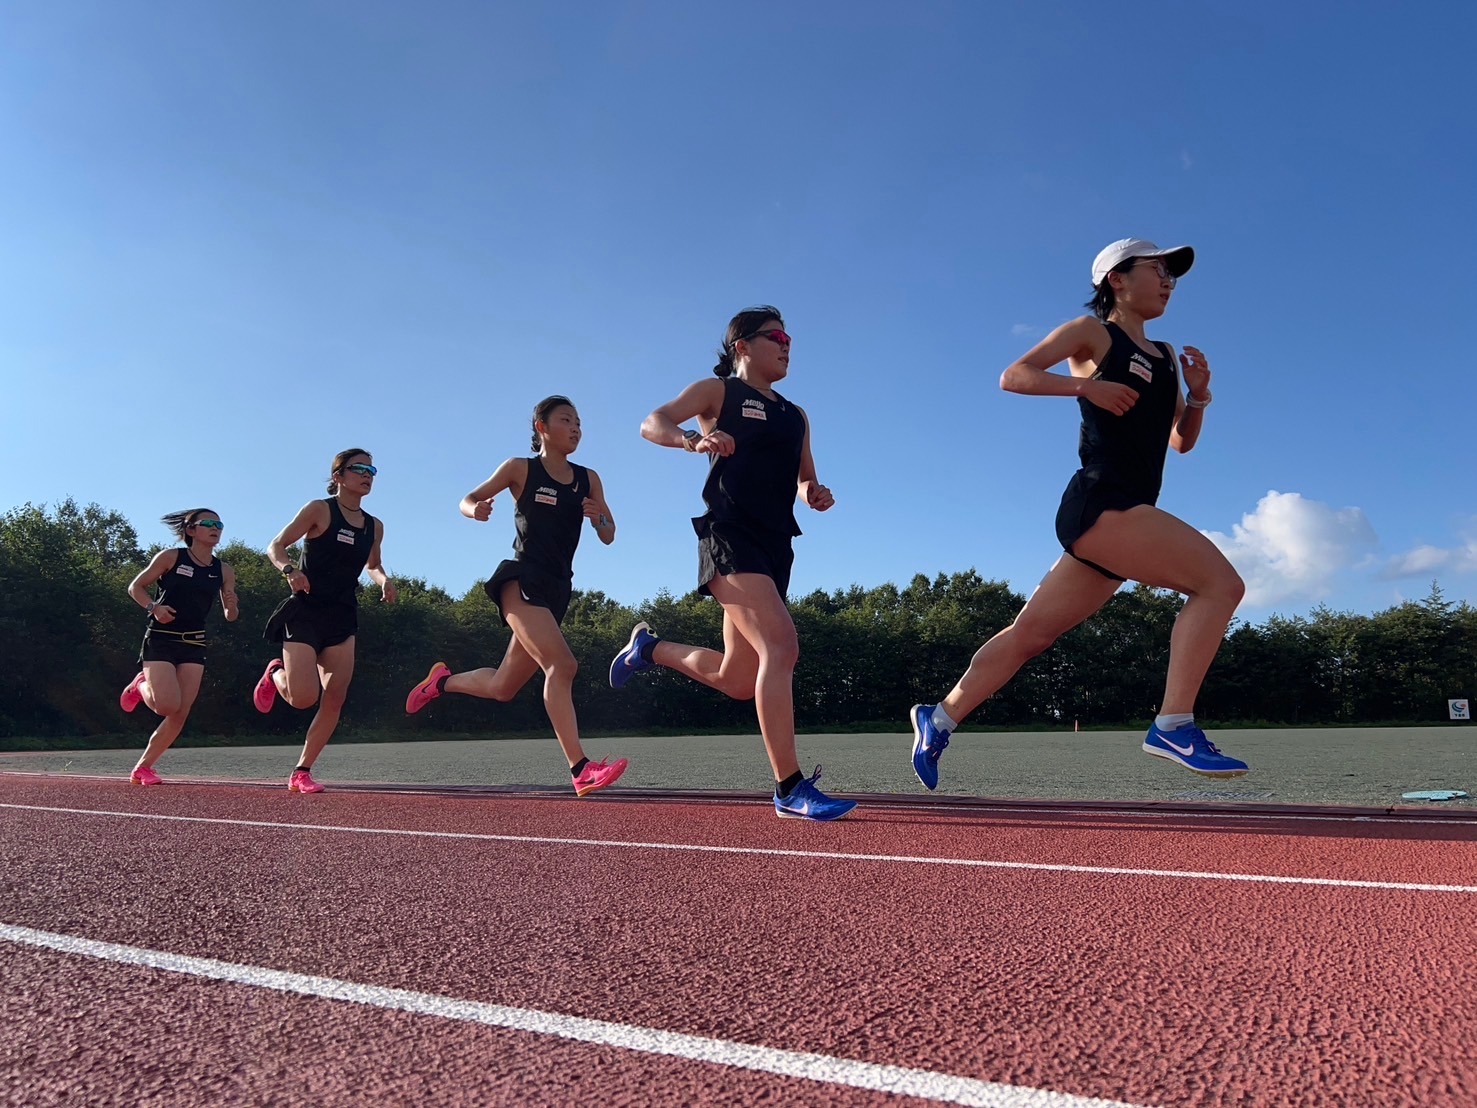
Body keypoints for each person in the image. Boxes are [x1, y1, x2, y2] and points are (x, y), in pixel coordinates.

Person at [908, 239, 1249, 790]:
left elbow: (1181, 442)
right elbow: (1014, 375)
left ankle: (939, 717)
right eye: (1157, 269)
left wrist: (1199, 397)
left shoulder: (1164, 355)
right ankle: (1173, 725)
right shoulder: (1093, 333)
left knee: (1029, 635)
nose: (1168, 281)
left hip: (1125, 516)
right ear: (1117, 278)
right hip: (1102, 502)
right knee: (1220, 585)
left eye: (1172, 274)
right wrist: (1088, 386)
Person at [608, 306, 855, 821]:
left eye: (790, 339)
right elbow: (652, 422)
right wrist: (692, 440)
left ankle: (649, 649)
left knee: (738, 678)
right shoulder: (718, 392)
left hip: (776, 545)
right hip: (729, 534)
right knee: (781, 647)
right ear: (742, 345)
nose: (787, 345)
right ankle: (789, 788)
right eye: (777, 336)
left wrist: (814, 493)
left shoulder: (796, 415)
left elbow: (804, 478)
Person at [404, 396, 629, 797]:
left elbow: (609, 534)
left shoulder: (588, 478)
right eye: (566, 420)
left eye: (579, 423)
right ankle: (581, 769)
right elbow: (467, 499)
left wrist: (598, 517)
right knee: (562, 665)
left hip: (558, 588)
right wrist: (474, 510)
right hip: (521, 579)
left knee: (502, 687)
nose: (576, 428)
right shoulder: (520, 469)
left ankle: (441, 683)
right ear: (541, 427)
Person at [254, 448, 396, 793]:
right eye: (359, 468)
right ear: (338, 476)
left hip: (342, 616)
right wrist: (290, 570)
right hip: (306, 611)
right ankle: (274, 674)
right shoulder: (319, 509)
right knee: (303, 698)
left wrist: (384, 580)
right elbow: (276, 546)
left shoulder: (374, 526)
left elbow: (373, 564)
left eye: (372, 470)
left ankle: (301, 771)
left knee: (334, 697)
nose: (367, 475)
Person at [120, 509, 239, 783]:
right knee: (166, 706)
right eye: (208, 523)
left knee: (180, 712)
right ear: (190, 530)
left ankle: (143, 767)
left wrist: (232, 607)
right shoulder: (171, 557)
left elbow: (230, 615)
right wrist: (154, 607)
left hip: (194, 641)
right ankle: (140, 685)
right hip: (162, 637)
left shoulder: (224, 570)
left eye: (219, 524)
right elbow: (135, 587)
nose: (215, 528)